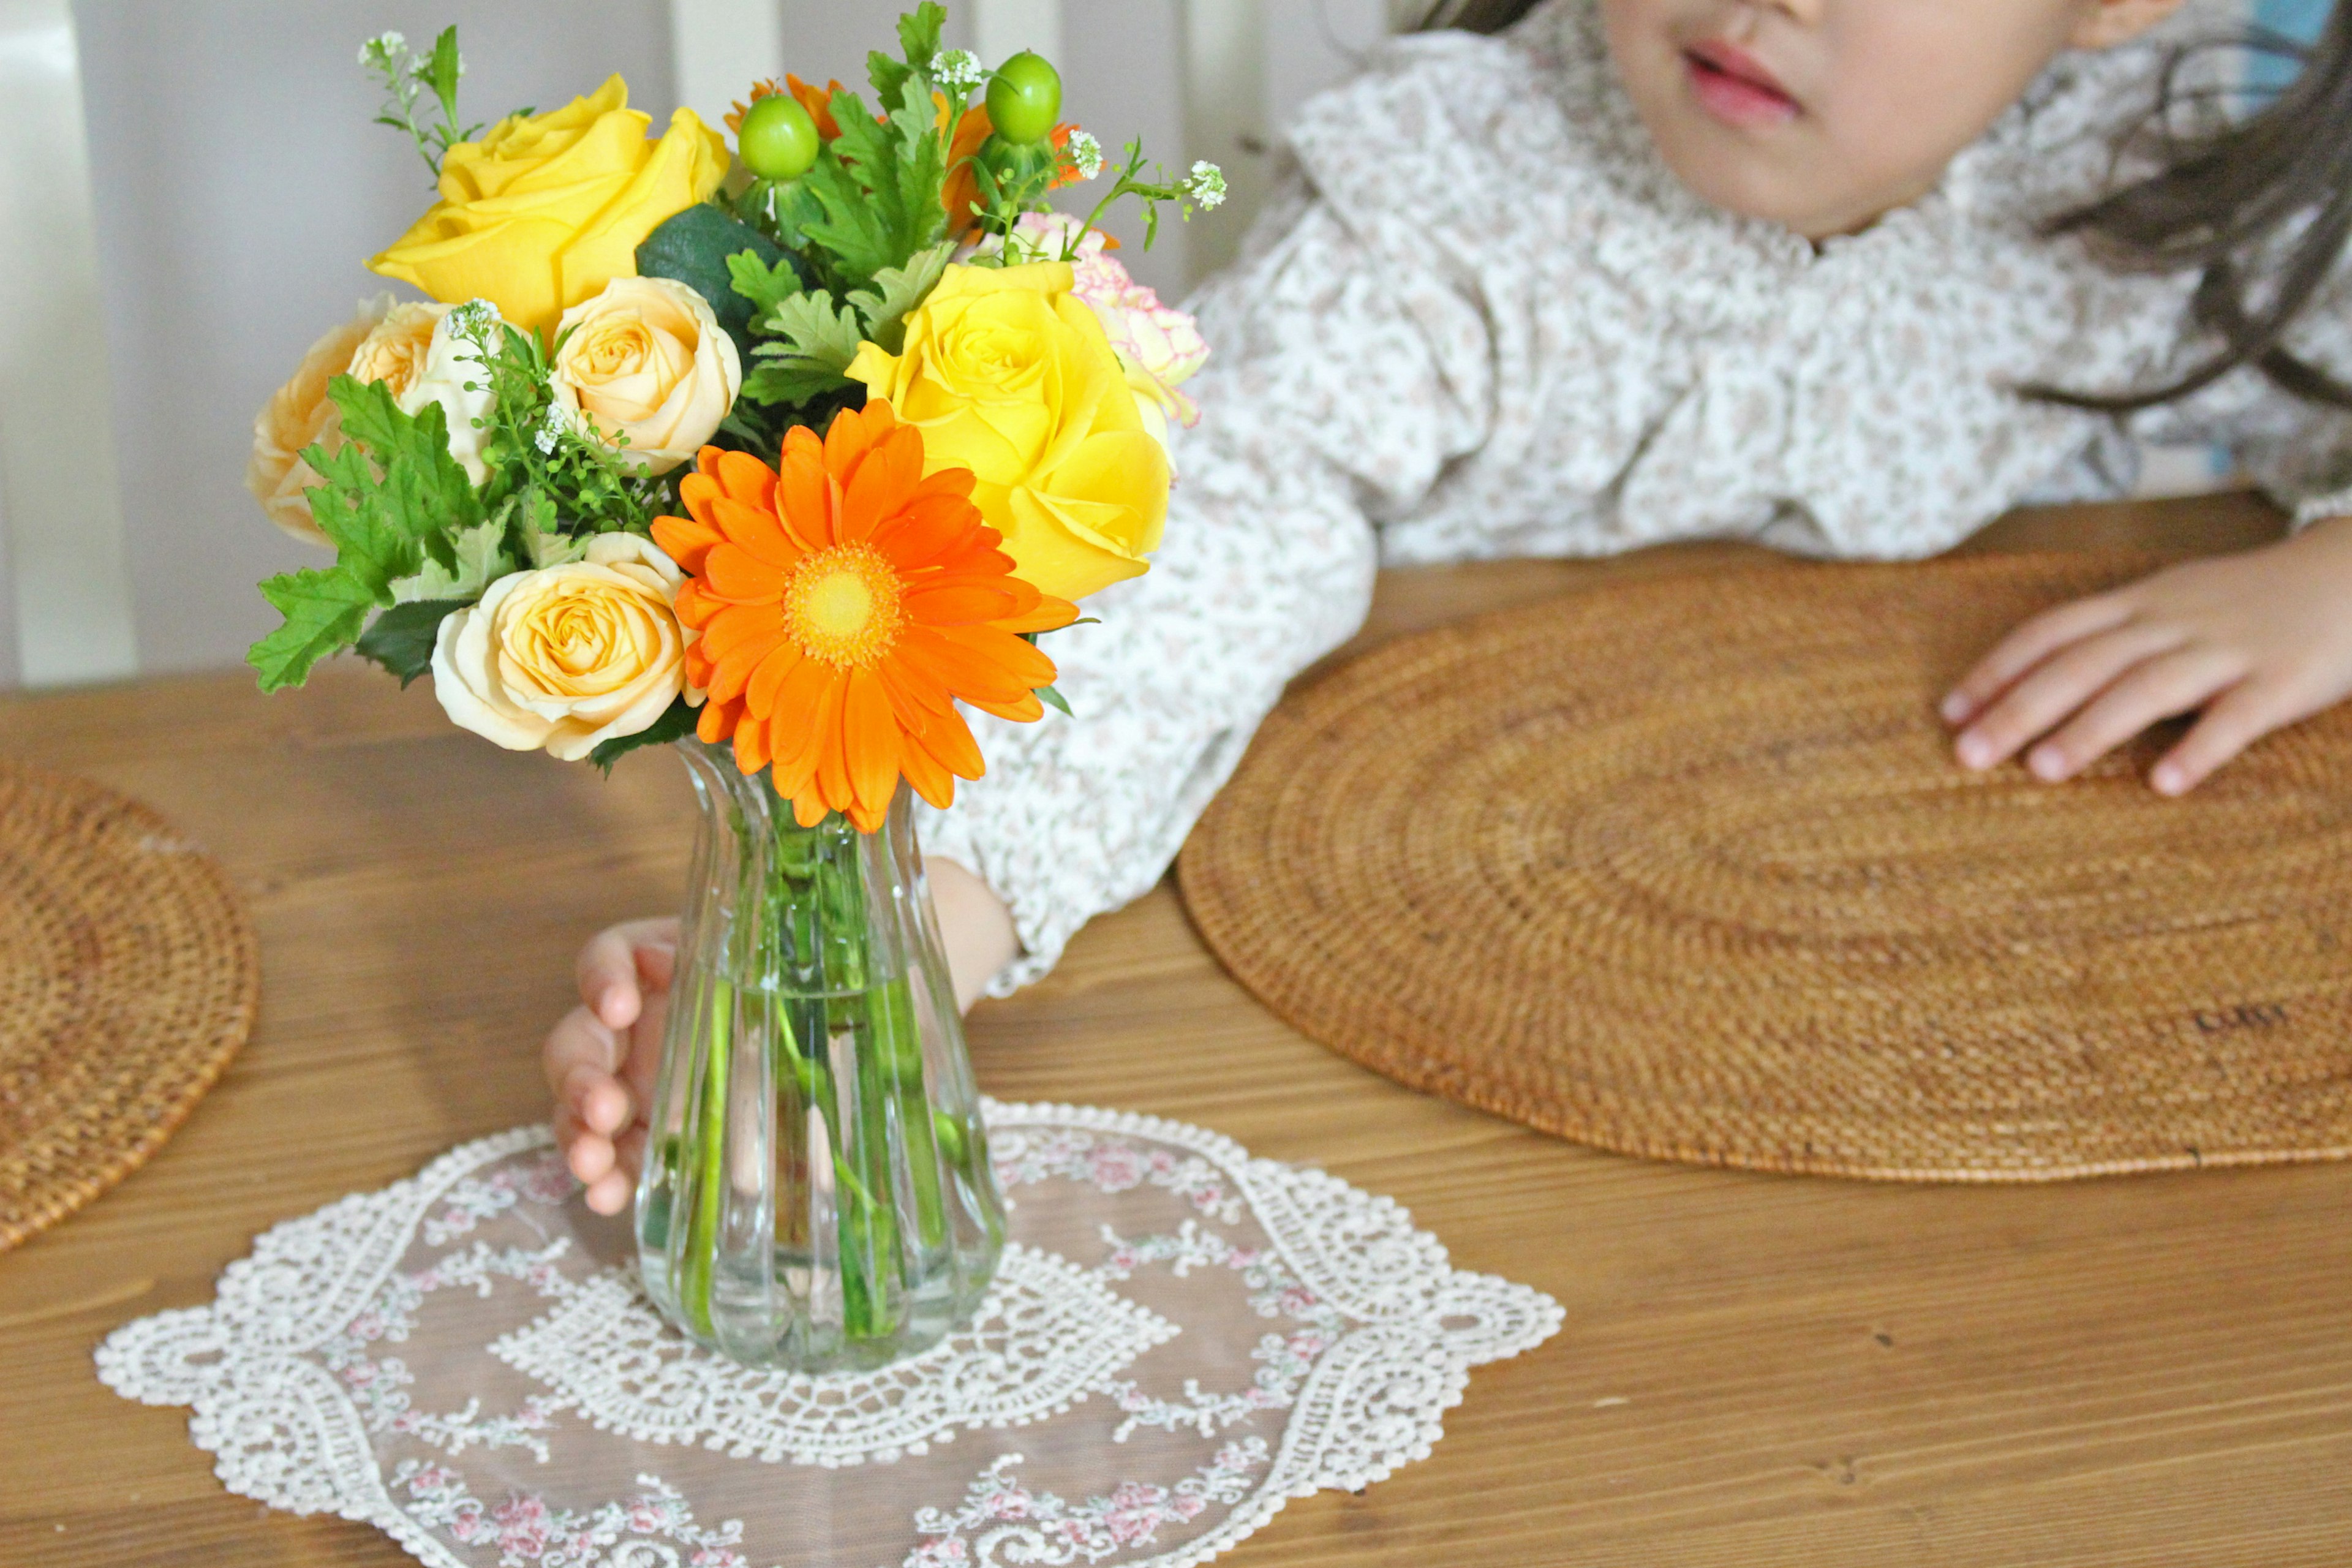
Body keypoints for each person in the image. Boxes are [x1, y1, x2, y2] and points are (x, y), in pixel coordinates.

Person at [551, 0, 2352, 1213]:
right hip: (1461, 1011)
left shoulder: (2175, 194)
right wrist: (924, 916)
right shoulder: (1458, 194)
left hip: (1959, 996)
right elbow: (1223, 529)